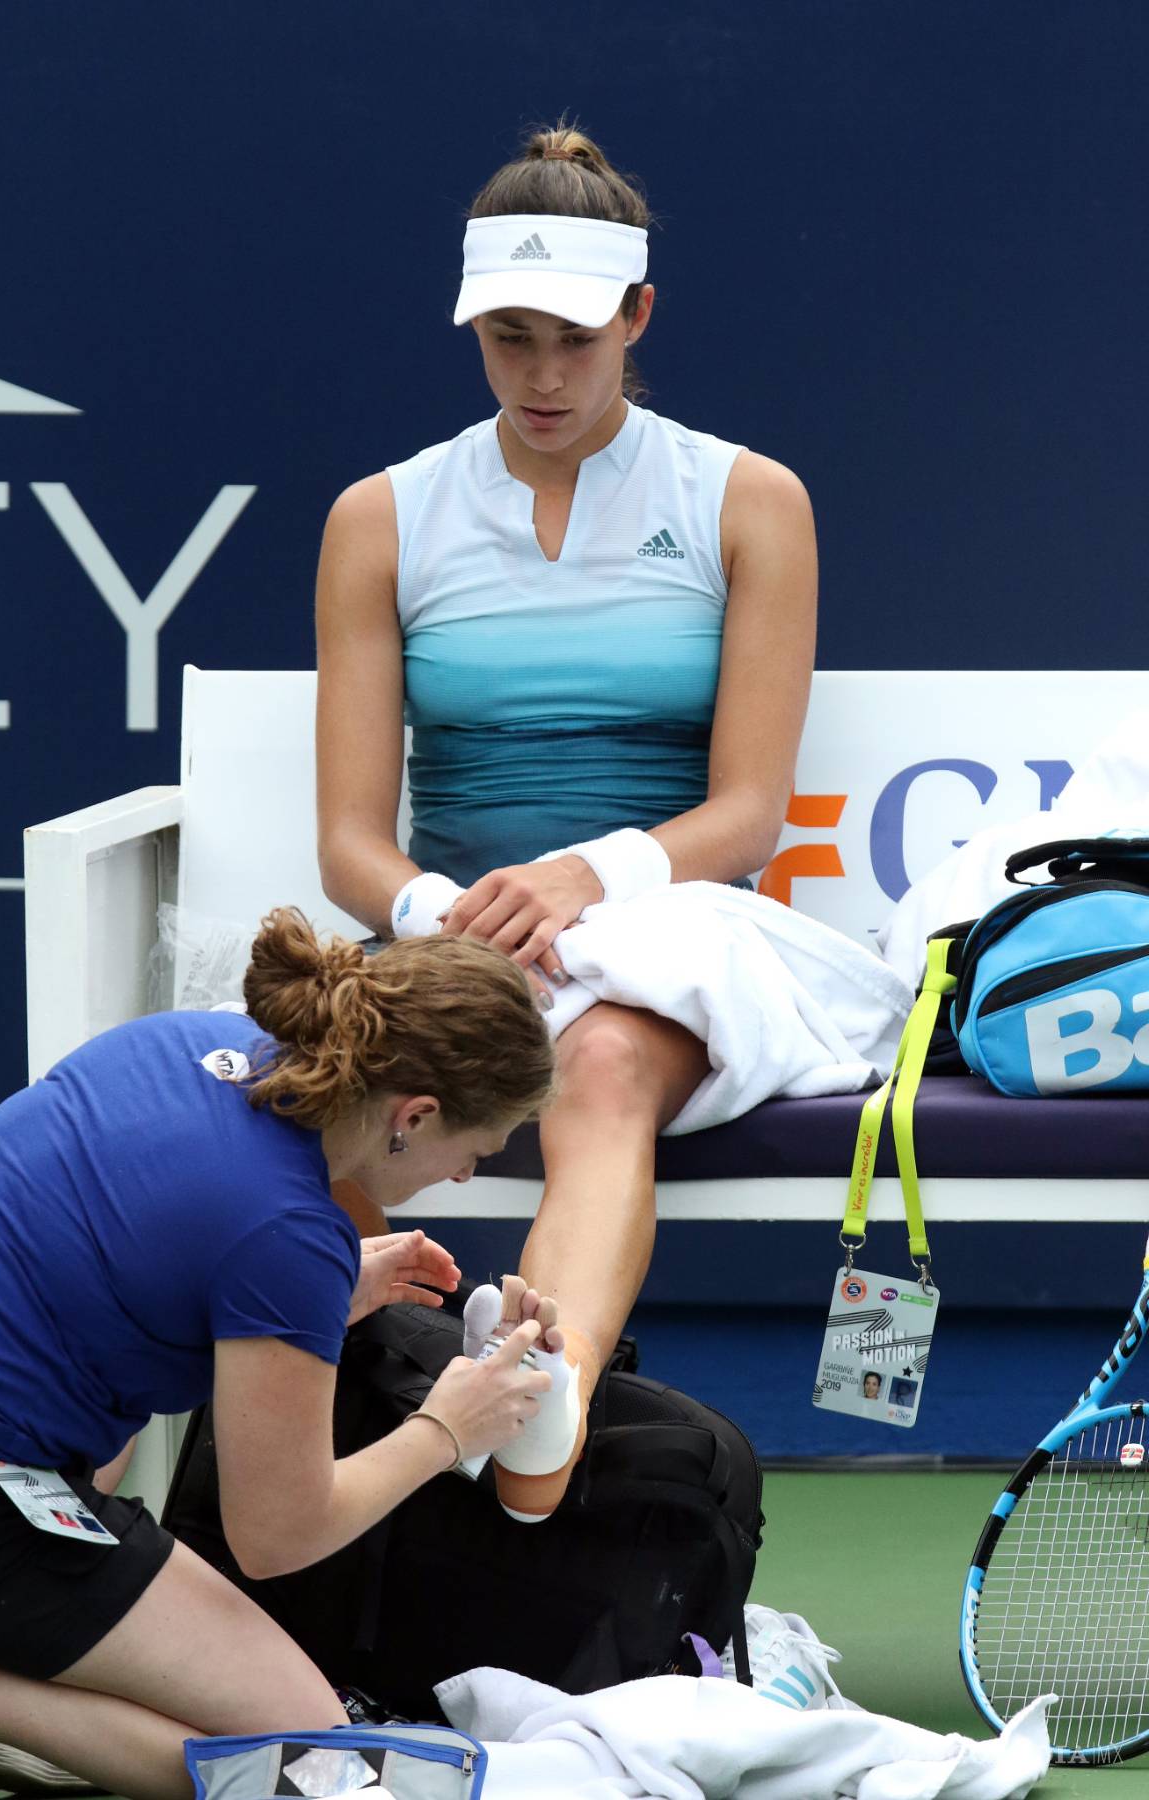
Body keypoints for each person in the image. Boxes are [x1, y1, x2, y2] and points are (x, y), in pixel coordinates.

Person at [316, 122, 817, 1523]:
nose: (542, 376)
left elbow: (748, 812)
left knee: (599, 1064)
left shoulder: (749, 501)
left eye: (578, 339)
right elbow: (354, 839)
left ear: (639, 318)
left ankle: (547, 1400)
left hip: (671, 921)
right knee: (315, 1098)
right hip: (455, 942)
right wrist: (450, 919)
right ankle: (337, 1437)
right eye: (510, 336)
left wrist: (577, 884)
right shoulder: (381, 517)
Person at [0, 908, 556, 1800]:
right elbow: (276, 1535)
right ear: (414, 1115)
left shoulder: (190, 1042)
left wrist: (315, 1296)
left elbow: (119, 1253)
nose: (462, 1176)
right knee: (312, 1761)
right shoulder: (286, 1233)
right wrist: (447, 1429)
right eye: (473, 1151)